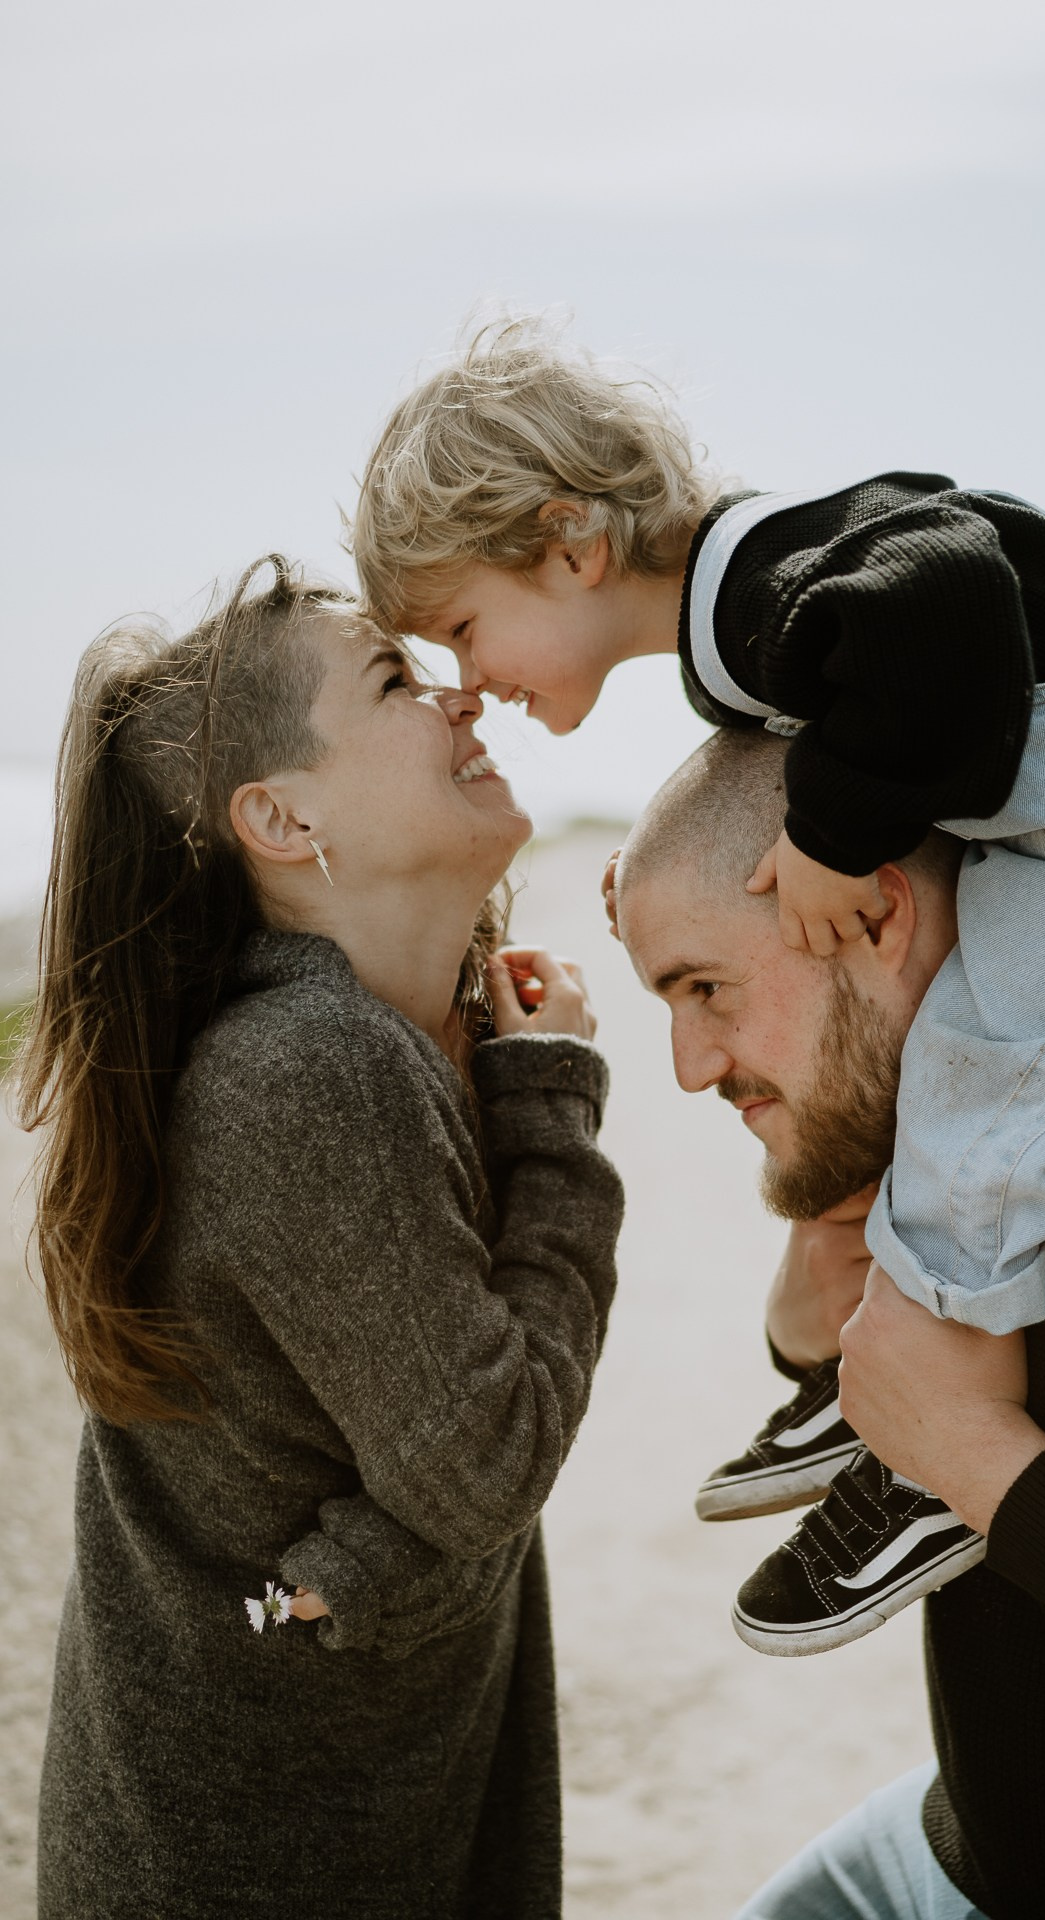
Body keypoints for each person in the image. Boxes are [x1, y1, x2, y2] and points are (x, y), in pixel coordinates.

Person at [350, 314, 1045, 1653]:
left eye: (462, 627)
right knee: (956, 1083)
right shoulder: (751, 618)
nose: (470, 683)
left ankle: (929, 1451)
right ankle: (861, 1380)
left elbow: (955, 587)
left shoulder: (763, 583)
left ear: (571, 543)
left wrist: (834, 833)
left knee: (986, 1073)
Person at [15, 557, 624, 1919]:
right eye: (398, 682)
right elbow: (490, 1463)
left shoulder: (392, 1046)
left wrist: (352, 1574)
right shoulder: (308, 1070)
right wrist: (556, 1114)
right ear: (280, 816)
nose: (466, 696)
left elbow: (454, 1471)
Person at [615, 728, 1045, 1918]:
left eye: (703, 989)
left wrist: (975, 1457)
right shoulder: (936, 1139)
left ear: (874, 921)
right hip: (957, 1833)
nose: (684, 1066)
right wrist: (811, 1327)